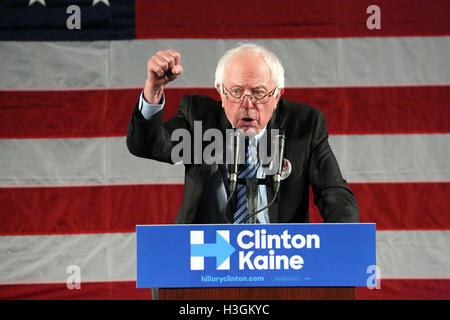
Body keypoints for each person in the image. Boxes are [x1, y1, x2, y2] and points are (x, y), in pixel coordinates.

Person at [126, 43, 359, 225]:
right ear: (221, 91)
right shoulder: (199, 120)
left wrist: (346, 245)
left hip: (278, 257)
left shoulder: (304, 125)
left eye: (258, 93)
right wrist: (154, 89)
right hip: (207, 255)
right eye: (236, 91)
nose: (247, 104)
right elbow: (147, 145)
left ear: (277, 95)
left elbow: (334, 193)